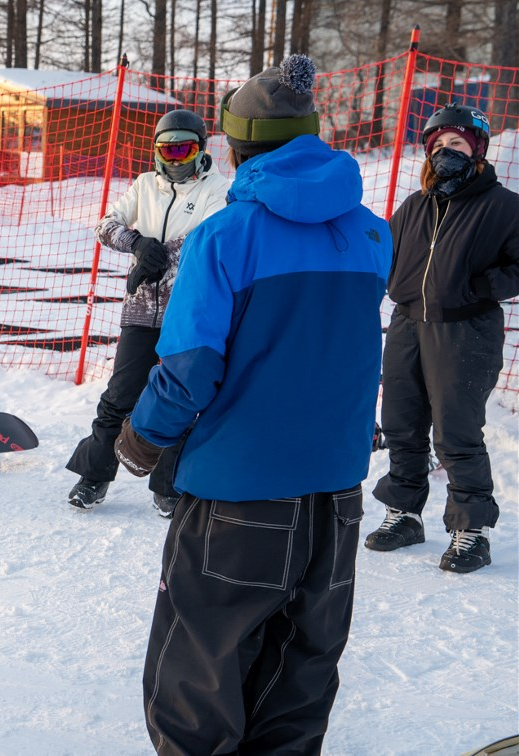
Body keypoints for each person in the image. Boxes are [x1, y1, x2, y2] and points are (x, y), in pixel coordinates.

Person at [113, 55, 391, 753]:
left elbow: (190, 369)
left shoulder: (224, 236)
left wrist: (142, 437)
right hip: (335, 492)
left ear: (235, 148)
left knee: (199, 672)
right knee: (300, 673)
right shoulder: (370, 233)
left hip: (239, 494)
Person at [366, 104, 519, 574]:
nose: (445, 152)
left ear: (477, 149)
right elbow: (384, 257)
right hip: (408, 325)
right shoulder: (415, 206)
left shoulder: (503, 206)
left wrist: (479, 289)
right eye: (438, 146)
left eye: (456, 144)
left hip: (466, 329)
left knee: (456, 431)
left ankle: (472, 530)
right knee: (401, 423)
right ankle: (404, 514)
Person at [66, 108, 231, 515]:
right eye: (166, 151)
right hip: (141, 308)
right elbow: (106, 225)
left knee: (181, 397)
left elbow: (207, 237)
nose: (175, 160)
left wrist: (160, 256)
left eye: (183, 150)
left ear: (201, 150)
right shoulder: (144, 185)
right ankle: (94, 476)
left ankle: (169, 486)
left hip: (187, 311)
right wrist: (138, 244)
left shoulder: (216, 188)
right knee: (119, 396)